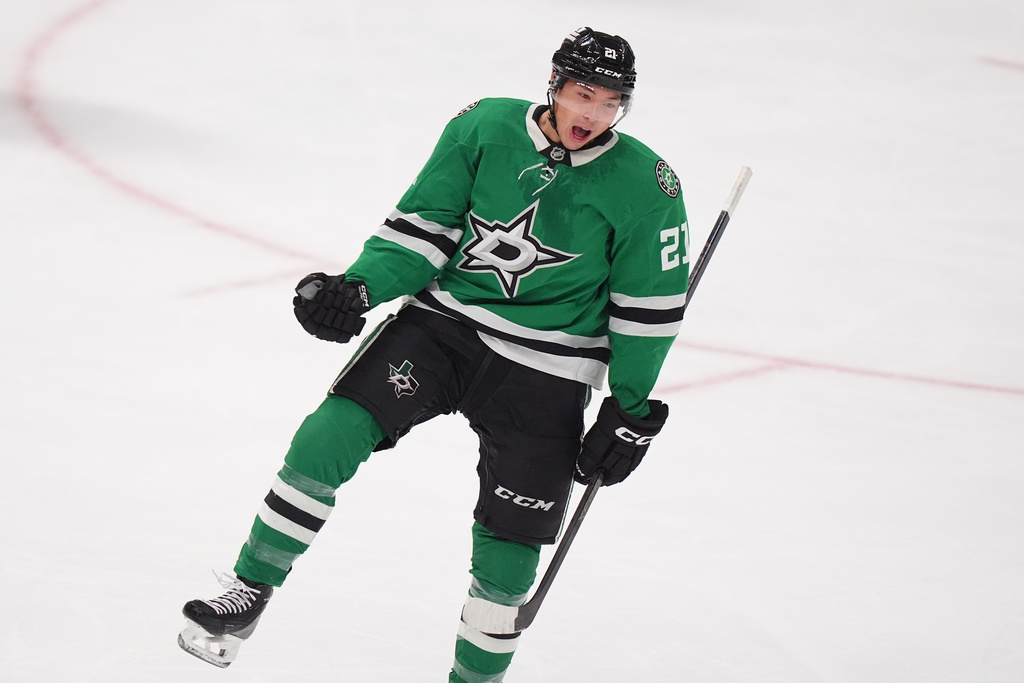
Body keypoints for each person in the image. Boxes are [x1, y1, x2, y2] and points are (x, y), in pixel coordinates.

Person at [178, 26, 689, 682]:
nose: (593, 113)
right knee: (327, 435)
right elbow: (426, 226)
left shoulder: (647, 185)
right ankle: (249, 589)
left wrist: (630, 408)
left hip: (548, 366)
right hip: (443, 328)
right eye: (583, 94)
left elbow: (647, 309)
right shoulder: (485, 127)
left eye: (611, 102)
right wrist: (359, 288)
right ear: (554, 86)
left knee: (510, 546)